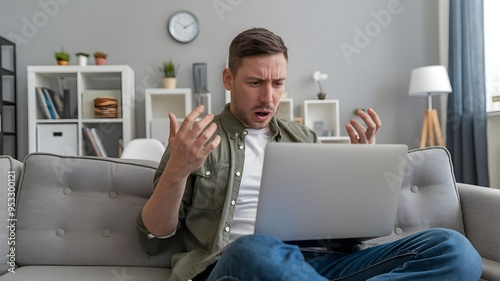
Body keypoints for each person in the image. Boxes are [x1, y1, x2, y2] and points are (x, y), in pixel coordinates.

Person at [137, 27, 482, 281]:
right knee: (257, 249)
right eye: (255, 83)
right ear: (228, 78)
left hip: (323, 263)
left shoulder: (303, 137)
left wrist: (362, 171)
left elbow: (346, 229)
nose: (268, 98)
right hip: (241, 264)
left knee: (455, 250)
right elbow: (153, 237)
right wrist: (177, 172)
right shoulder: (195, 140)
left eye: (278, 84)